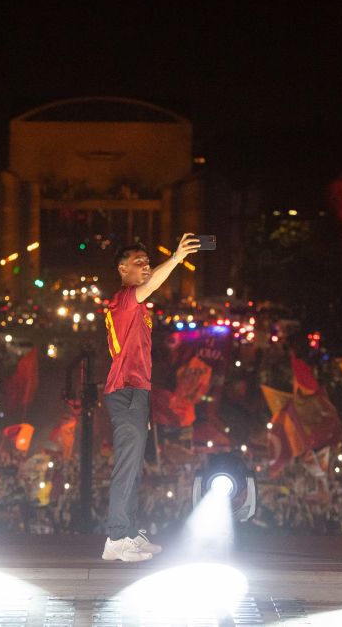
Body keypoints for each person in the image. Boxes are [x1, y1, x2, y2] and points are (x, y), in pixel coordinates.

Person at [100, 233, 200, 562]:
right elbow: (153, 283)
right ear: (122, 269)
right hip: (126, 390)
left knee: (134, 467)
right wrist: (175, 257)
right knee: (127, 467)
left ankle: (127, 532)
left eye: (148, 263)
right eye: (139, 263)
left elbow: (152, 282)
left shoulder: (138, 303)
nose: (146, 268)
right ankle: (116, 537)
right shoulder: (126, 298)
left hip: (137, 392)